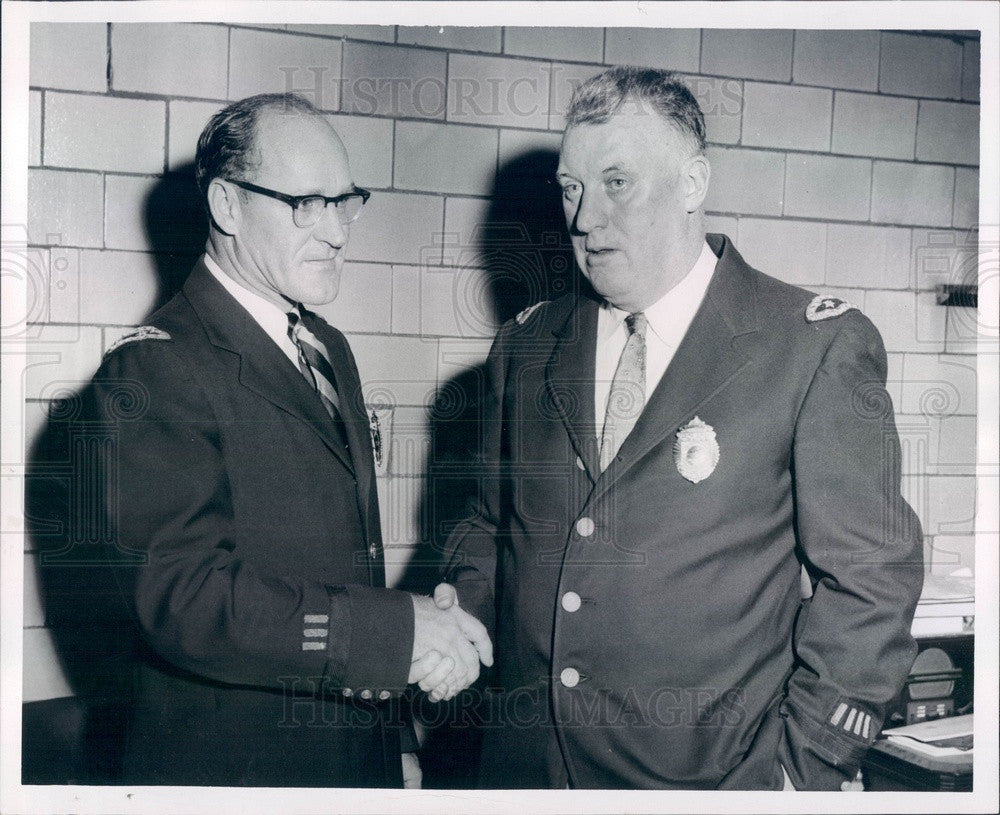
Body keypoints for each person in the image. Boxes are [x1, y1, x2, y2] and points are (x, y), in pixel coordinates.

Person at [442, 67, 923, 791]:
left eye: (616, 184)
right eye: (571, 189)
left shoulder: (809, 345)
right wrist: (461, 620)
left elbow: (872, 581)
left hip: (711, 783)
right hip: (526, 777)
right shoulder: (526, 346)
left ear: (693, 184)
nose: (583, 219)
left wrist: (802, 767)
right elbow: (488, 523)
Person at [75, 92, 491, 786]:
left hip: (352, 758)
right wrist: (399, 632)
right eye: (306, 203)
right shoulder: (157, 365)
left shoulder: (327, 348)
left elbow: (350, 565)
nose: (337, 231)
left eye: (345, 201)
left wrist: (392, 745)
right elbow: (186, 598)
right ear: (227, 206)